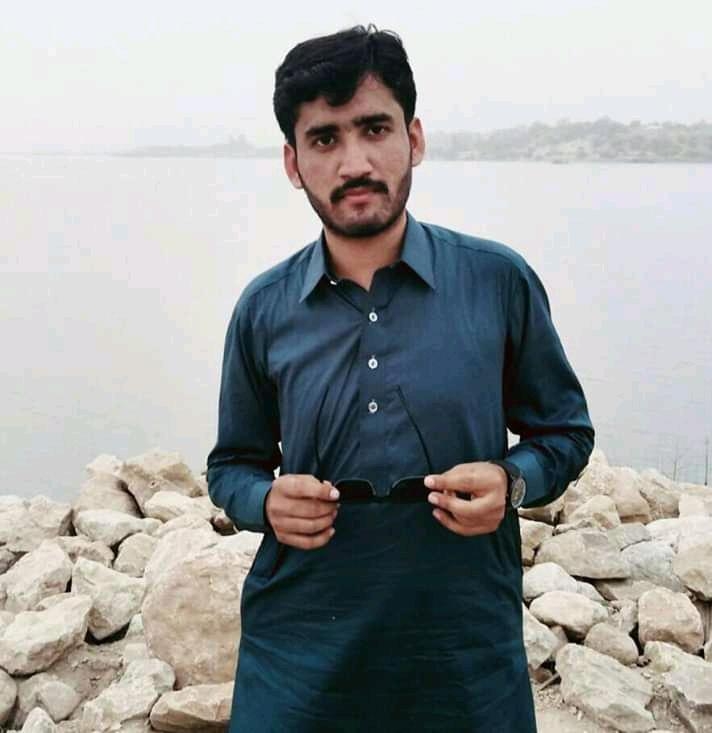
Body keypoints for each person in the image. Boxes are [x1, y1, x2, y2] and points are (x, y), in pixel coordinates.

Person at [207, 24, 594, 732]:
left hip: (465, 655)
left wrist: (512, 482)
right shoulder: (264, 309)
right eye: (324, 138)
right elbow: (231, 465)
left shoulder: (496, 281)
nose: (354, 161)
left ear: (414, 139)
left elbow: (565, 432)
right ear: (293, 162)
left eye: (374, 128)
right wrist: (265, 501)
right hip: (298, 659)